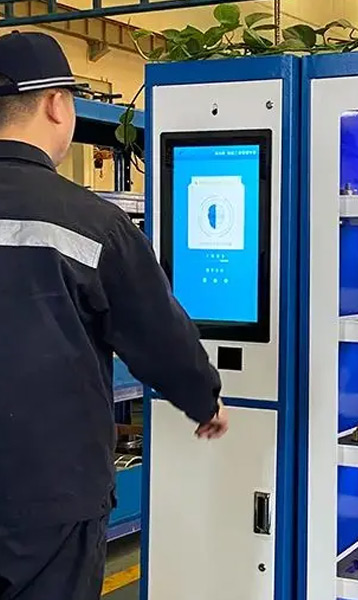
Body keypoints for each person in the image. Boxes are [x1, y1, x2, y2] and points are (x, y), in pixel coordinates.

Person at [0, 32, 228, 600]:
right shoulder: (90, 222)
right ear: (57, 104)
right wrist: (203, 398)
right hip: (51, 494)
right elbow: (156, 332)